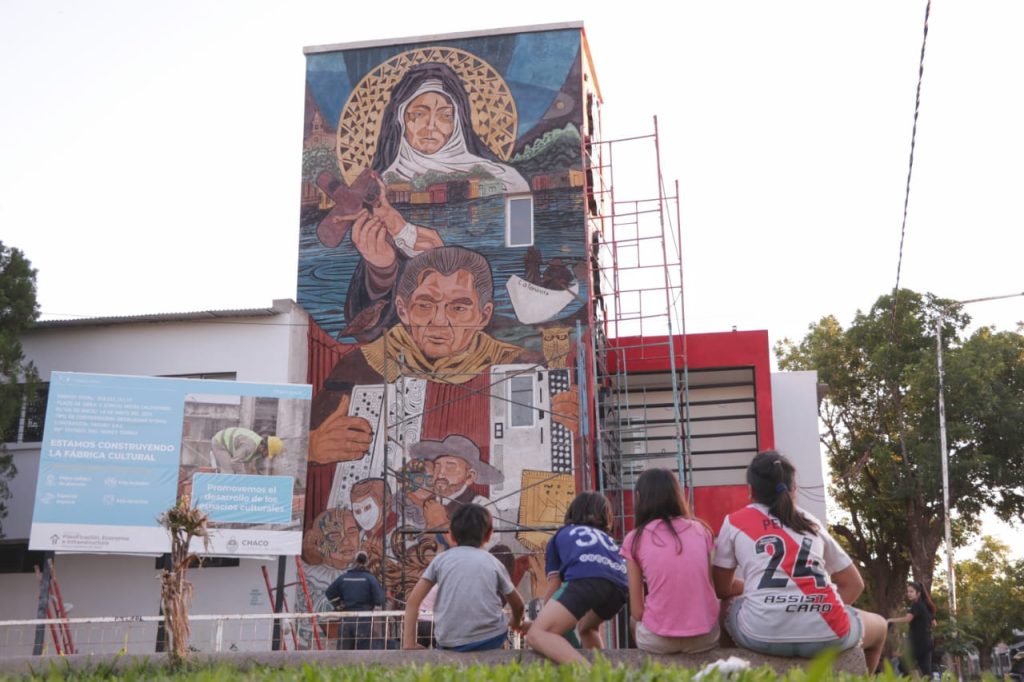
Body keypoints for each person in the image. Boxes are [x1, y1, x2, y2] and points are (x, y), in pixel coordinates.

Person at [343, 62, 530, 341]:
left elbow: (523, 253)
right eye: (418, 114)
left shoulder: (510, 181)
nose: (431, 126)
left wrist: (423, 242)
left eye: (444, 115)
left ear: (458, 121)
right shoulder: (379, 189)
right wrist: (381, 270)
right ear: (399, 119)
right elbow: (367, 319)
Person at [712, 451, 887, 671]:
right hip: (828, 635)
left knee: (726, 606)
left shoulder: (734, 522)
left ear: (750, 490)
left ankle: (736, 670)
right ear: (793, 489)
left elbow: (722, 589)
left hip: (759, 634)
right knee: (880, 626)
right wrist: (814, 614)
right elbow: (854, 585)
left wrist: (753, 589)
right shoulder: (811, 523)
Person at [620, 468, 719, 654]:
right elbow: (709, 588)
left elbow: (637, 612)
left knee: (634, 622)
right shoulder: (702, 531)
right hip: (705, 637)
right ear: (677, 496)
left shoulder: (634, 539)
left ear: (639, 498)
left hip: (658, 640)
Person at [402, 503, 525, 651]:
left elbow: (413, 602)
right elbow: (518, 605)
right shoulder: (494, 563)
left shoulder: (440, 561)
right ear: (488, 534)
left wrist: (409, 644)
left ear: (451, 535)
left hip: (450, 642)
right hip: (490, 639)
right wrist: (516, 623)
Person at [525, 491, 628, 665]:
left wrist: (542, 621)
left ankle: (589, 674)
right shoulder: (607, 539)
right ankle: (602, 670)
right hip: (621, 588)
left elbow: (554, 588)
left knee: (537, 634)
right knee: (587, 628)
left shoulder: (562, 534)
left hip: (587, 580)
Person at [325, 550, 386, 650]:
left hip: (346, 618)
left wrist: (338, 605)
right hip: (364, 620)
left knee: (343, 652)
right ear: (367, 562)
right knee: (362, 653)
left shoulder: (343, 578)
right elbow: (379, 599)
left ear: (354, 561)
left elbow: (329, 593)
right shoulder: (370, 579)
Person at [887, 581, 937, 676]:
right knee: (927, 672)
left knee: (902, 665)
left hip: (918, 643)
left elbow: (907, 619)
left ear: (918, 593)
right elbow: (934, 623)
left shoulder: (916, 605)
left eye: (911, 591)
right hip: (927, 642)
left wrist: (890, 620)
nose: (908, 594)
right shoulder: (926, 605)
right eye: (908, 591)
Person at [209, 427, 283, 475]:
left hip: (232, 445)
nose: (267, 456)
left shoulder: (258, 448)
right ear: (264, 447)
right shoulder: (249, 446)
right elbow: (235, 461)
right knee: (229, 472)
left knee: (237, 472)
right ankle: (224, 495)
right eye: (268, 453)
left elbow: (251, 468)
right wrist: (243, 476)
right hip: (220, 443)